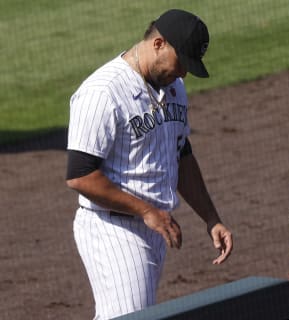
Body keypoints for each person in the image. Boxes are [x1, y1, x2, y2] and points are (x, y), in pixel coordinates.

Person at [66, 9, 233, 319]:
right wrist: (146, 211)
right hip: (113, 229)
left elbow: (180, 154)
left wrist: (211, 217)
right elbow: (80, 176)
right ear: (159, 43)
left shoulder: (174, 89)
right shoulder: (102, 92)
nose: (183, 74)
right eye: (181, 62)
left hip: (154, 226)